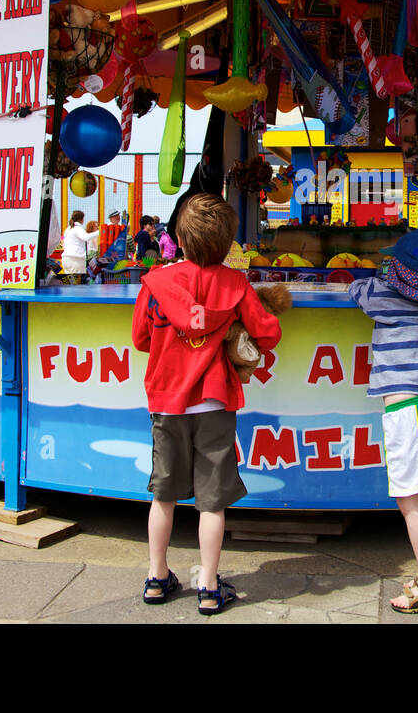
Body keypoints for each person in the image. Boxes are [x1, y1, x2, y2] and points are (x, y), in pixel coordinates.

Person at [132, 194, 281, 615]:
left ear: (178, 236)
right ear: (228, 242)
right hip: (215, 401)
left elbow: (141, 338)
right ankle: (210, 587)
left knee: (163, 495)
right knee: (211, 503)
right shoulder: (235, 285)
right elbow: (268, 334)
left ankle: (157, 578)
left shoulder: (156, 284)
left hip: (167, 400)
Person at [348, 229, 418, 614]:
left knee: (410, 503)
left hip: (405, 414)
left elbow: (357, 289)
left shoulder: (382, 297)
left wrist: (387, 278)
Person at [60, 211, 100, 277]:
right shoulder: (77, 228)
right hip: (76, 261)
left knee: (69, 284)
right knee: (78, 285)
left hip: (66, 260)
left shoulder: (68, 229)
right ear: (82, 219)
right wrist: (99, 231)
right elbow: (86, 237)